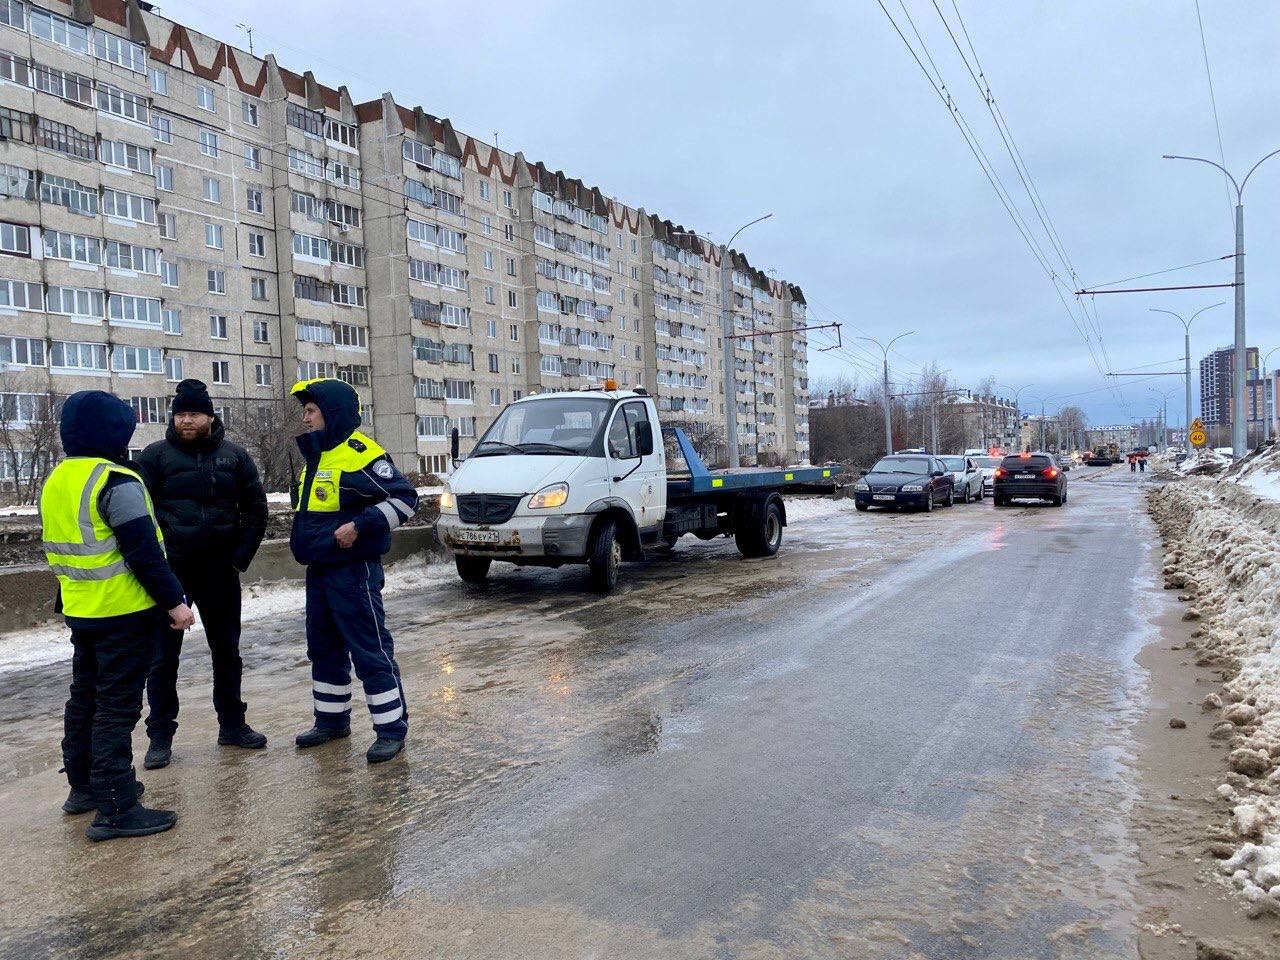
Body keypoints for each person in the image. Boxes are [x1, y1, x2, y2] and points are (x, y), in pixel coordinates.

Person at [40, 391, 195, 841]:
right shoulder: (116, 480)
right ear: (113, 432)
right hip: (124, 613)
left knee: (84, 700)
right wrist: (175, 603)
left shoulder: (59, 479)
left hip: (82, 612)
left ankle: (83, 787)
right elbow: (144, 552)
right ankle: (116, 806)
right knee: (116, 709)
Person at [137, 379, 269, 769]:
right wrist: (156, 568)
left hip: (219, 570)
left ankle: (232, 725)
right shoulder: (155, 457)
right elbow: (140, 515)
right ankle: (159, 736)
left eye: (193, 413)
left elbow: (256, 509)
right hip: (171, 573)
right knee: (162, 658)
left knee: (226, 652)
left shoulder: (234, 457)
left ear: (210, 416)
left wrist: (238, 558)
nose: (186, 421)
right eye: (180, 414)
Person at [288, 378, 418, 763]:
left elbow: (406, 500)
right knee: (324, 649)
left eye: (311, 411)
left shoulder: (361, 453)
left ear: (332, 414)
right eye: (305, 412)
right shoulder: (316, 457)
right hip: (320, 570)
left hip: (353, 572)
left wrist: (361, 525)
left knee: (370, 650)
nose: (306, 418)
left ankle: (391, 729)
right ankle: (331, 721)